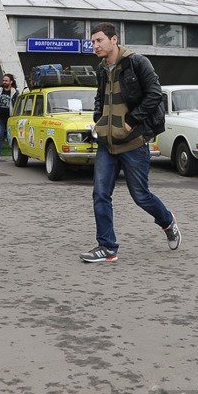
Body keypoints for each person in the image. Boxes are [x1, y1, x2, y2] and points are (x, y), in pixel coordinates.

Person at [80, 22, 179, 263]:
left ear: (114, 40)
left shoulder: (137, 63)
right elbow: (100, 96)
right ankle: (107, 247)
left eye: (99, 40)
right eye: (93, 42)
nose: (95, 45)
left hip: (133, 143)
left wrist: (131, 121)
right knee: (100, 194)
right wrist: (98, 118)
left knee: (141, 196)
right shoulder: (102, 69)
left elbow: (154, 94)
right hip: (107, 144)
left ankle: (167, 222)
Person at [0, 74, 19, 161]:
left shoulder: (15, 92)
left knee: (13, 137)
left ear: (11, 82)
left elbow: (18, 105)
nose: (4, 82)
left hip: (11, 119)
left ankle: (16, 156)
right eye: (3, 80)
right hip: (0, 118)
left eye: (6, 81)